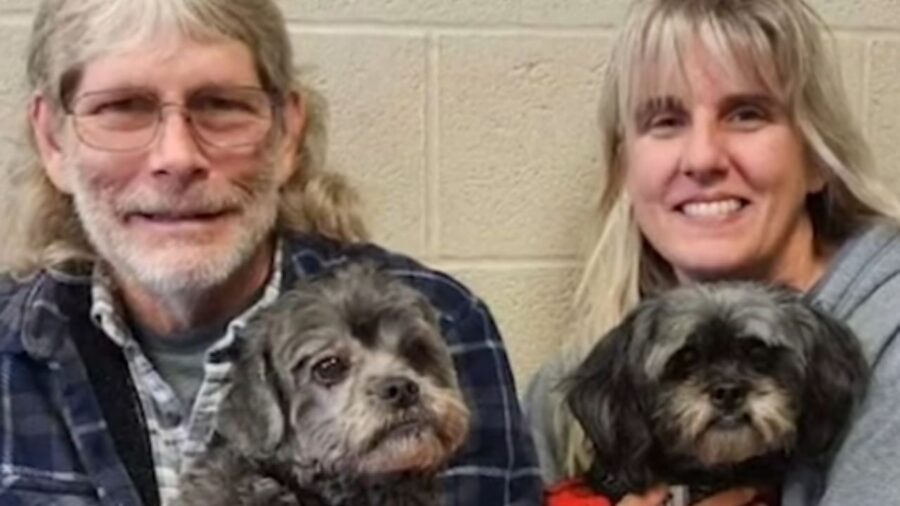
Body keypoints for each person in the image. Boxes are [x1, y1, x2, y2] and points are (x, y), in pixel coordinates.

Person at [0, 0, 544, 504]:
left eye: (221, 105)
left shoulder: (445, 317)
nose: (177, 156)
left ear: (286, 135)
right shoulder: (9, 351)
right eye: (122, 108)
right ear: (54, 141)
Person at [524, 0, 900, 505]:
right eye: (665, 120)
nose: (702, 158)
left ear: (817, 157)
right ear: (624, 170)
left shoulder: (886, 329)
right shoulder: (561, 394)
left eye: (747, 114)